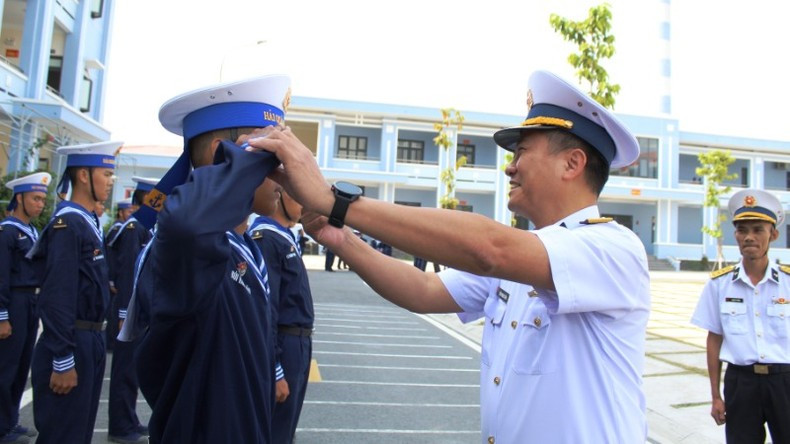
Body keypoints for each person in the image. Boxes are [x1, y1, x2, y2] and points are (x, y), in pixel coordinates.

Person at [248, 70, 649, 443]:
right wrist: (339, 238)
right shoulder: (525, 258)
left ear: (572, 163)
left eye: (522, 152)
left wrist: (334, 202)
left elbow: (489, 249)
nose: (510, 168)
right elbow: (424, 289)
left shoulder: (613, 249)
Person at [123, 75, 289, 443]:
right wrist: (241, 163)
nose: (283, 173)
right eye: (272, 156)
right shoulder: (191, 247)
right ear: (223, 156)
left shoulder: (243, 247)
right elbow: (188, 223)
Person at [27, 141, 120, 444]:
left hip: (89, 337)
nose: (110, 182)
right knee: (63, 434)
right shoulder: (68, 224)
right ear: (83, 175)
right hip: (72, 341)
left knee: (78, 433)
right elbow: (57, 295)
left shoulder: (87, 221)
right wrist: (62, 358)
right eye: (105, 174)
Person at [691, 188, 790, 443]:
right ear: (735, 235)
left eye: (758, 229)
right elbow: (714, 340)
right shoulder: (719, 285)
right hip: (741, 383)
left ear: (773, 234)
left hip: (785, 382)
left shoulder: (788, 283)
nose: (749, 237)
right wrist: (715, 395)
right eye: (742, 230)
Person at [249, 188, 315, 443]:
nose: (303, 203)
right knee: (275, 429)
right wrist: (275, 368)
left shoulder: (283, 236)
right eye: (298, 195)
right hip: (284, 343)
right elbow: (267, 309)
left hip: (298, 342)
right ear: (281, 195)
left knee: (286, 428)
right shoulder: (266, 237)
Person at [105, 177, 157, 444]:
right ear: (149, 199)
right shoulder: (133, 228)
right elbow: (127, 275)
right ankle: (120, 425)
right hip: (128, 311)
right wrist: (126, 315)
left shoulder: (143, 227)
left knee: (131, 371)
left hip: (135, 310)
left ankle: (129, 419)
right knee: (124, 369)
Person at [0, 172, 51, 443]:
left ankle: (10, 420)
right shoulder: (7, 231)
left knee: (21, 366)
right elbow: (1, 276)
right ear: (18, 198)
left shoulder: (30, 230)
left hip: (30, 302)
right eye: (35, 198)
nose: (40, 204)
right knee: (5, 366)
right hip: (15, 302)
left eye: (42, 199)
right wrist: (2, 316)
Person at [105, 197, 133, 353]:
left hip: (117, 279)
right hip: (116, 279)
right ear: (121, 213)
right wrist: (111, 280)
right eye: (128, 211)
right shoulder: (117, 229)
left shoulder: (124, 227)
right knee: (114, 313)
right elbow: (112, 256)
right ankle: (111, 342)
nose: (130, 214)